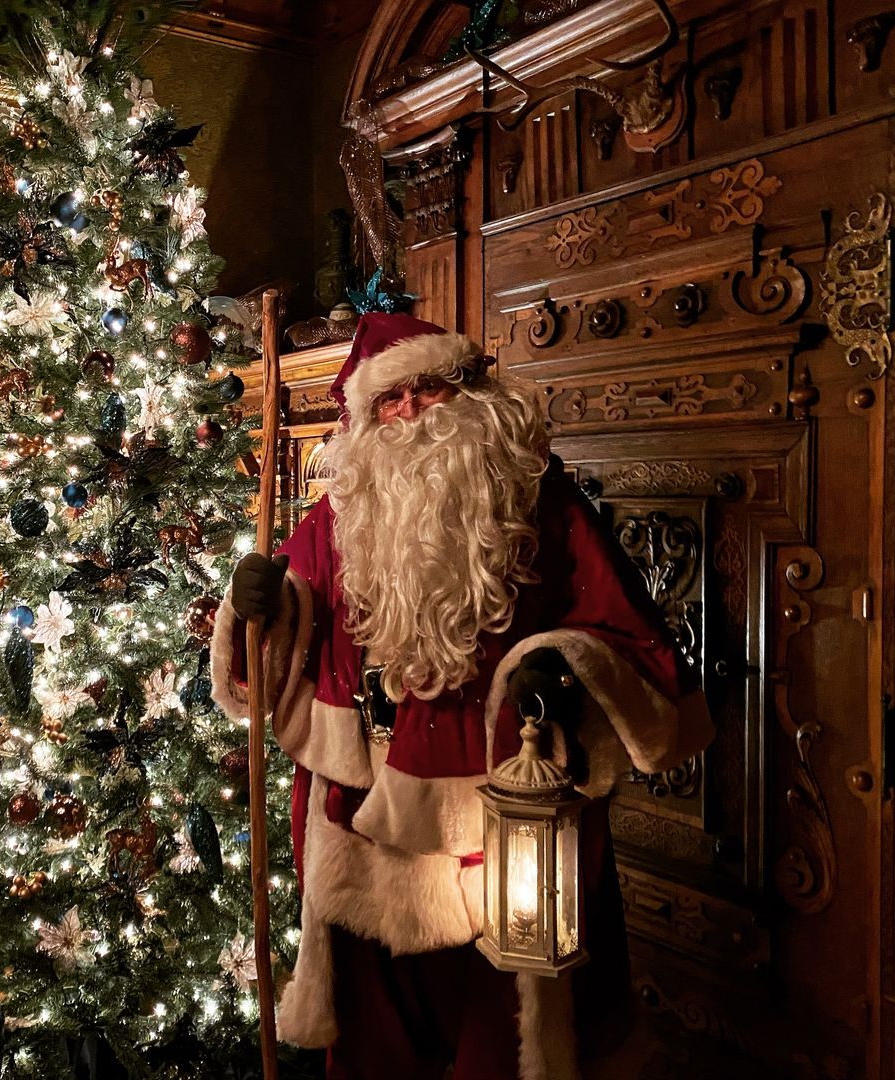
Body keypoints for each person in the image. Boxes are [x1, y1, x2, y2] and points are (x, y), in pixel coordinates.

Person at [209, 313, 712, 1079]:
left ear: (469, 394)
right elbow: (278, 644)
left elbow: (624, 636)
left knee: (505, 1045)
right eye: (390, 401)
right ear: (367, 419)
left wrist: (560, 669)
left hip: (507, 831)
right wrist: (256, 608)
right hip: (363, 824)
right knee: (377, 1049)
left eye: (427, 390)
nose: (410, 413)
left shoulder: (542, 503)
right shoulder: (336, 515)